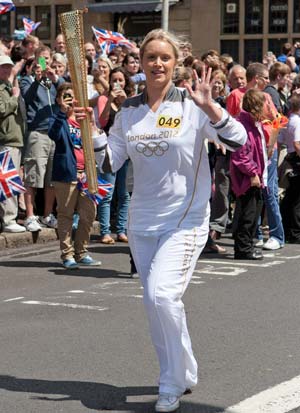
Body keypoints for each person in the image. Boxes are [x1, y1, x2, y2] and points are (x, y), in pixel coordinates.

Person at [78, 29, 246, 412]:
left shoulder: (192, 105)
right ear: (140, 61)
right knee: (157, 302)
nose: (157, 63)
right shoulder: (129, 111)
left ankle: (169, 380)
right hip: (142, 222)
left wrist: (211, 109)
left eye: (164, 58)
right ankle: (184, 369)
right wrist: (91, 130)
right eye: (151, 57)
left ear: (175, 63)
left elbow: (237, 141)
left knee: (161, 294)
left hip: (185, 220)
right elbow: (108, 163)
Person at [48, 83, 101, 268]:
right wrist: (63, 111)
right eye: (66, 96)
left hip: (87, 175)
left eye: (72, 96)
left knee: (89, 214)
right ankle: (67, 255)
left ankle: (82, 252)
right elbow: (53, 134)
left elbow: (97, 141)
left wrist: (92, 121)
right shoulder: (58, 118)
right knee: (65, 215)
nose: (70, 99)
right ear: (59, 99)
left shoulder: (83, 119)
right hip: (66, 175)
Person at [20, 45, 65, 231]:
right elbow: (28, 98)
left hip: (54, 133)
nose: (44, 63)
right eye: (41, 59)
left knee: (51, 179)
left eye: (47, 59)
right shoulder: (27, 80)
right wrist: (37, 79)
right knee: (33, 176)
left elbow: (66, 91)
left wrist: (55, 78)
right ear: (35, 59)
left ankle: (47, 215)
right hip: (37, 133)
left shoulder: (51, 82)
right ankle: (30, 216)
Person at [97, 67, 133, 244]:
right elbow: (102, 121)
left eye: (121, 80)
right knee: (107, 193)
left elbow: (134, 122)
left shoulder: (131, 100)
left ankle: (121, 229)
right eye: (114, 80)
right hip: (109, 151)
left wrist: (125, 102)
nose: (117, 83)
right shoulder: (104, 98)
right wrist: (110, 98)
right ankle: (105, 231)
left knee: (124, 193)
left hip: (126, 152)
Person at [230, 89, 267, 260]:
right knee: (247, 214)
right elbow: (241, 155)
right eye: (265, 103)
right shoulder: (243, 125)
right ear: (257, 105)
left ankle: (247, 246)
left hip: (256, 175)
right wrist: (253, 173)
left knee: (253, 212)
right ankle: (243, 249)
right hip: (247, 178)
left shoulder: (253, 124)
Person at [0, 55, 26, 233]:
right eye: (3, 67)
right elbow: (1, 109)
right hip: (6, 139)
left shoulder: (8, 86)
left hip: (15, 139)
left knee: (12, 180)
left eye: (9, 67)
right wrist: (14, 98)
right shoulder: (4, 89)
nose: (7, 70)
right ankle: (9, 219)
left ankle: (11, 217)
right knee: (7, 181)